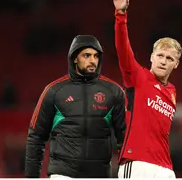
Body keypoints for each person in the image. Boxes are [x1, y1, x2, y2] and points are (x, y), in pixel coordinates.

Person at [25, 35, 126, 178]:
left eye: (96, 56)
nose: (93, 60)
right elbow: (36, 137)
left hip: (99, 175)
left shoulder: (114, 92)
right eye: (87, 55)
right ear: (74, 58)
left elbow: (126, 140)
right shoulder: (53, 91)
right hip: (62, 174)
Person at [111, 0, 182, 178]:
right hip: (137, 164)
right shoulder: (138, 76)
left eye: (169, 59)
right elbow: (123, 49)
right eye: (160, 56)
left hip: (166, 168)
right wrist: (121, 16)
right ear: (151, 56)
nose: (163, 61)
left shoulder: (172, 91)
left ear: (176, 64)